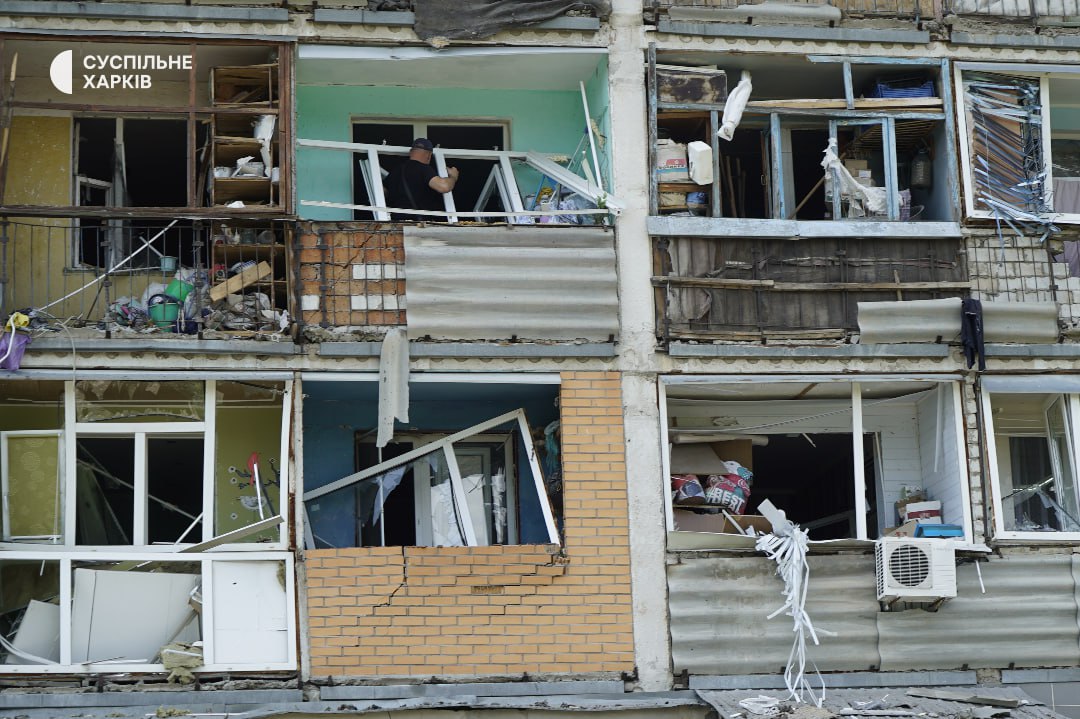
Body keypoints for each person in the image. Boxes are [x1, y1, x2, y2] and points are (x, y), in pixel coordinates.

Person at [384, 138, 459, 221]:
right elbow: (444, 187)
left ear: (411, 152)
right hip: (417, 225)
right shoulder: (423, 169)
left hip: (396, 223)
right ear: (429, 155)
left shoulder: (395, 171)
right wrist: (453, 177)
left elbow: (384, 192)